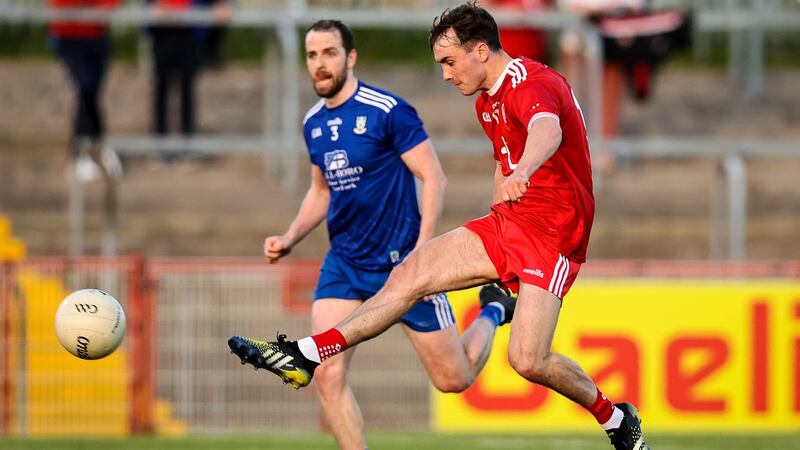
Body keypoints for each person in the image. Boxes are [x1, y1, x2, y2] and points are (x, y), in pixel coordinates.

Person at [229, 5, 650, 449]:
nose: (446, 76)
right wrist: (500, 205)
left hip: (555, 233)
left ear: (481, 50)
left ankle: (616, 417)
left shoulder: (535, 82)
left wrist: (525, 169)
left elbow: (547, 130)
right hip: (510, 222)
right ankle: (305, 355)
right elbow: (502, 164)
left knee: (527, 360)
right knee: (411, 273)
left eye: (449, 62)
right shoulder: (488, 101)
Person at [228, 20, 515, 450]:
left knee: (454, 379)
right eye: (311, 55)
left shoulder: (387, 110)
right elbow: (320, 190)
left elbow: (433, 178)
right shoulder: (312, 123)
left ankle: (493, 310)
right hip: (343, 264)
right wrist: (290, 237)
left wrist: (423, 254)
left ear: (351, 57)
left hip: (401, 265)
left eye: (329, 53)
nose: (320, 64)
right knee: (326, 372)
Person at [49, 0, 123, 181]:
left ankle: (97, 146)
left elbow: (110, 4)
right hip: (70, 34)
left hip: (97, 34)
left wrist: (95, 10)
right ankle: (82, 152)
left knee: (92, 92)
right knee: (84, 88)